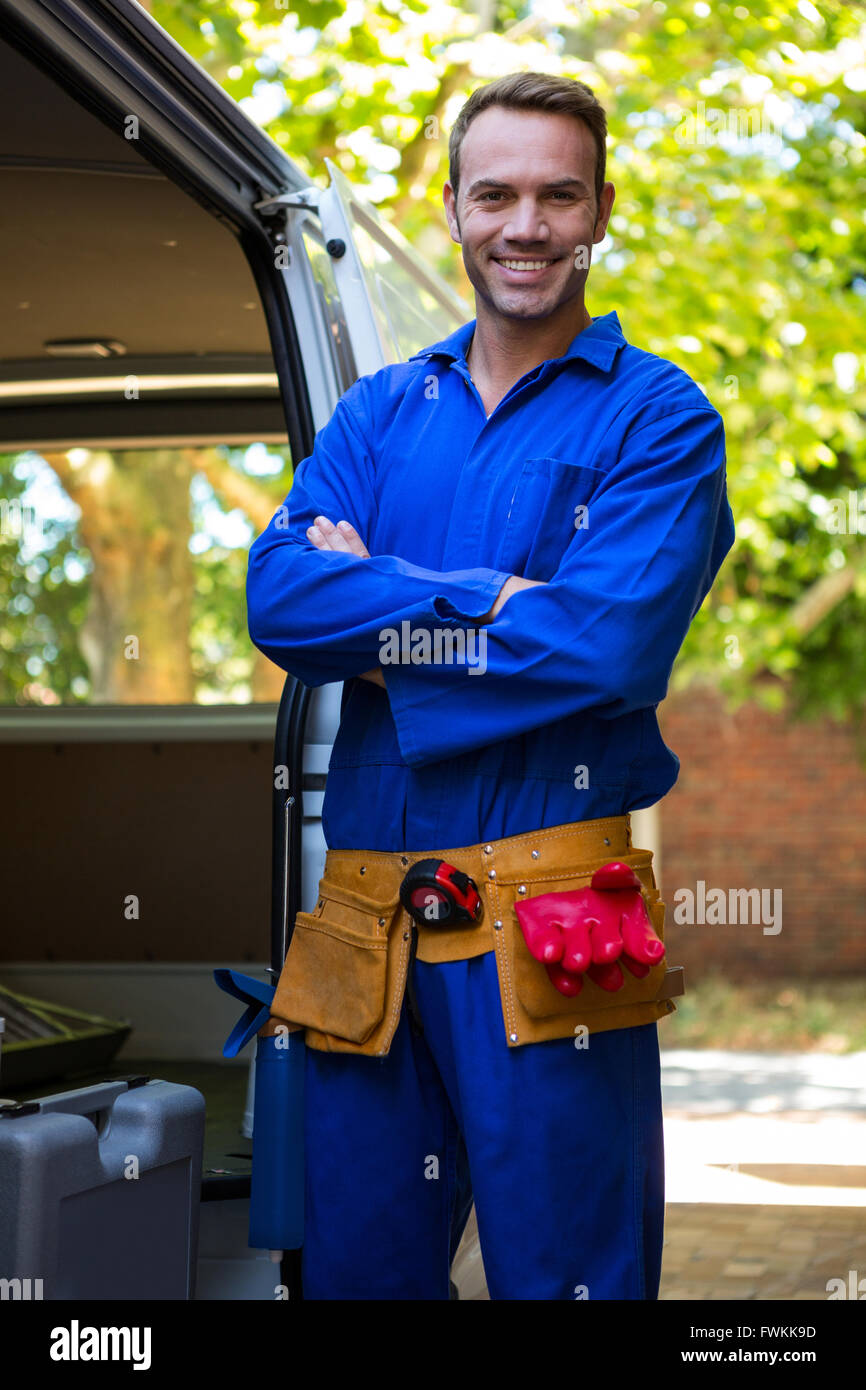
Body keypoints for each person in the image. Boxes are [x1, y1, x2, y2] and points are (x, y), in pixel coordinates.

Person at [246, 71, 736, 1300]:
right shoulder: (374, 413)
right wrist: (493, 600)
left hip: (556, 927)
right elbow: (280, 601)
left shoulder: (659, 421)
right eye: (496, 194)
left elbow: (605, 648)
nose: (526, 225)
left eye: (557, 196)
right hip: (362, 931)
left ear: (598, 209)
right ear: (455, 208)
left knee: (570, 1278)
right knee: (360, 1279)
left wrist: (381, 599)